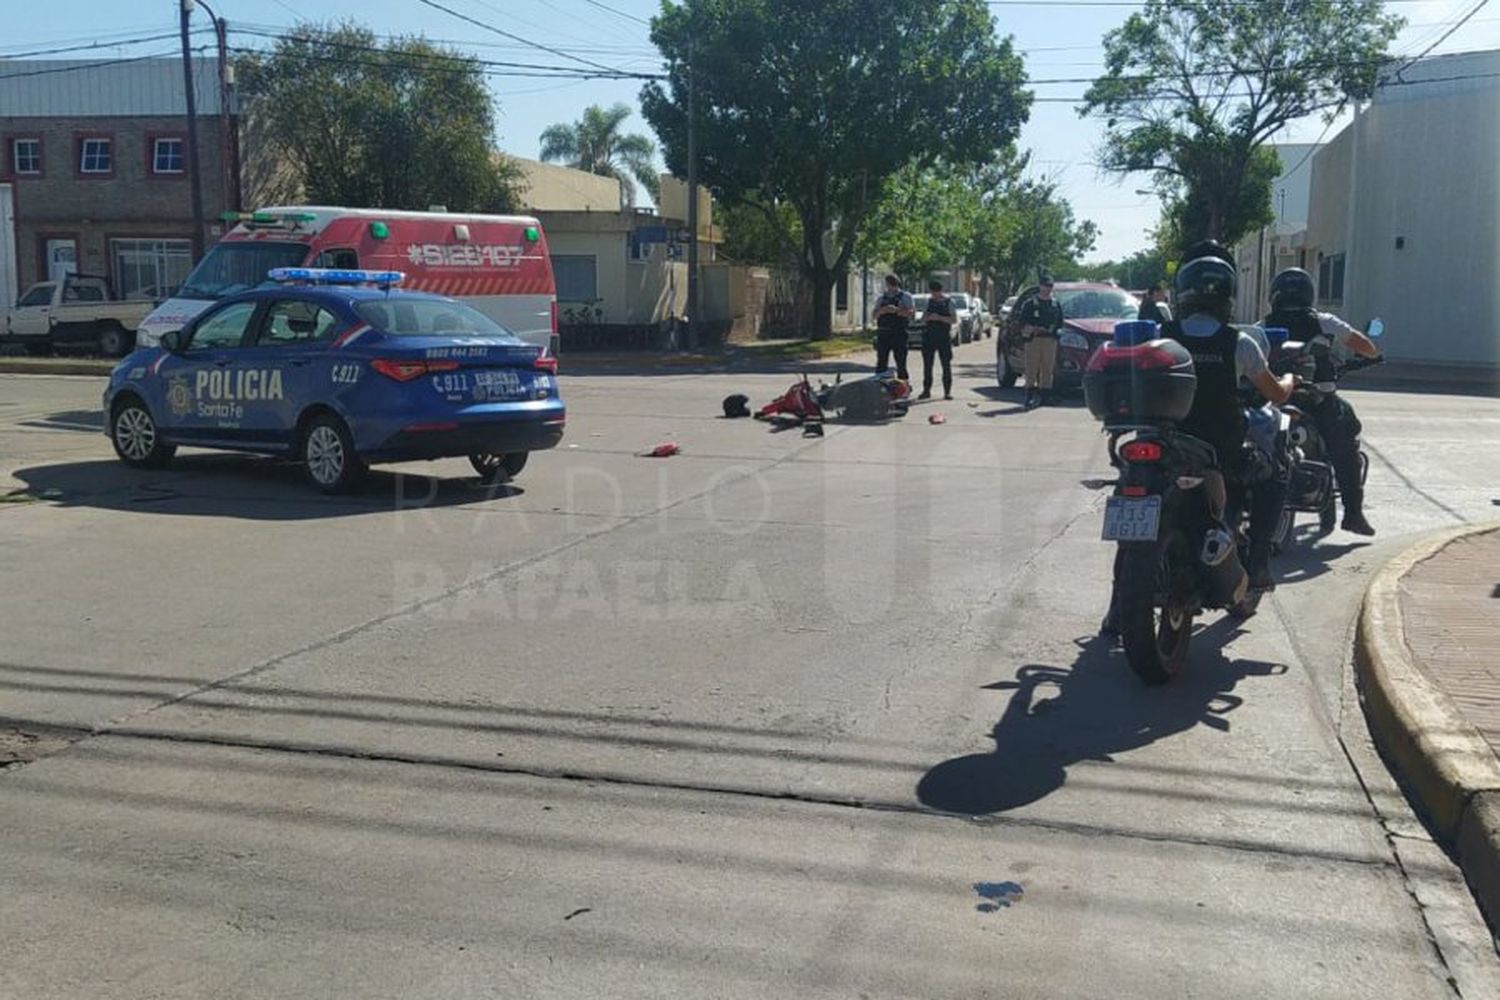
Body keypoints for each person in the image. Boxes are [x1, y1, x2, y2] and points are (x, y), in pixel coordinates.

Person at [1263, 267, 1382, 536]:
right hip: (1318, 400)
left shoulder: (1264, 324)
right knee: (1345, 444)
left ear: (1275, 295)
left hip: (1276, 398)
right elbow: (1361, 343)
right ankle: (1353, 514)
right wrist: (1374, 352)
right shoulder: (1324, 321)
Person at [1017, 276, 1064, 408]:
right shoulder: (1030, 304)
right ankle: (1029, 396)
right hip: (1034, 340)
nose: (1047, 289)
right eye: (1045, 286)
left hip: (1049, 340)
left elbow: (1060, 323)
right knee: (1031, 368)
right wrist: (1032, 328)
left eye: (1050, 286)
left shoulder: (1055, 304)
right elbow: (1022, 322)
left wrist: (1054, 331)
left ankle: (1045, 396)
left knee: (1047, 369)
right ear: (1040, 286)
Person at [871, 274, 914, 381]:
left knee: (900, 361)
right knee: (881, 361)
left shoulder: (905, 296)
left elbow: (911, 313)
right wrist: (883, 310)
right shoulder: (882, 298)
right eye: (889, 284)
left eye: (892, 284)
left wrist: (897, 310)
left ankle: (904, 385)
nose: (890, 287)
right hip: (884, 332)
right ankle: (880, 384)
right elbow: (874, 316)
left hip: (899, 332)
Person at [919, 278, 957, 400]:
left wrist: (939, 318)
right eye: (933, 292)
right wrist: (929, 318)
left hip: (943, 337)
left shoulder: (949, 302)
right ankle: (926, 390)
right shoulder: (928, 302)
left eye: (936, 292)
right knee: (927, 365)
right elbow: (922, 319)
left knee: (946, 364)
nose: (934, 295)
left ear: (941, 291)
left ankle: (947, 392)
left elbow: (953, 320)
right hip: (929, 336)